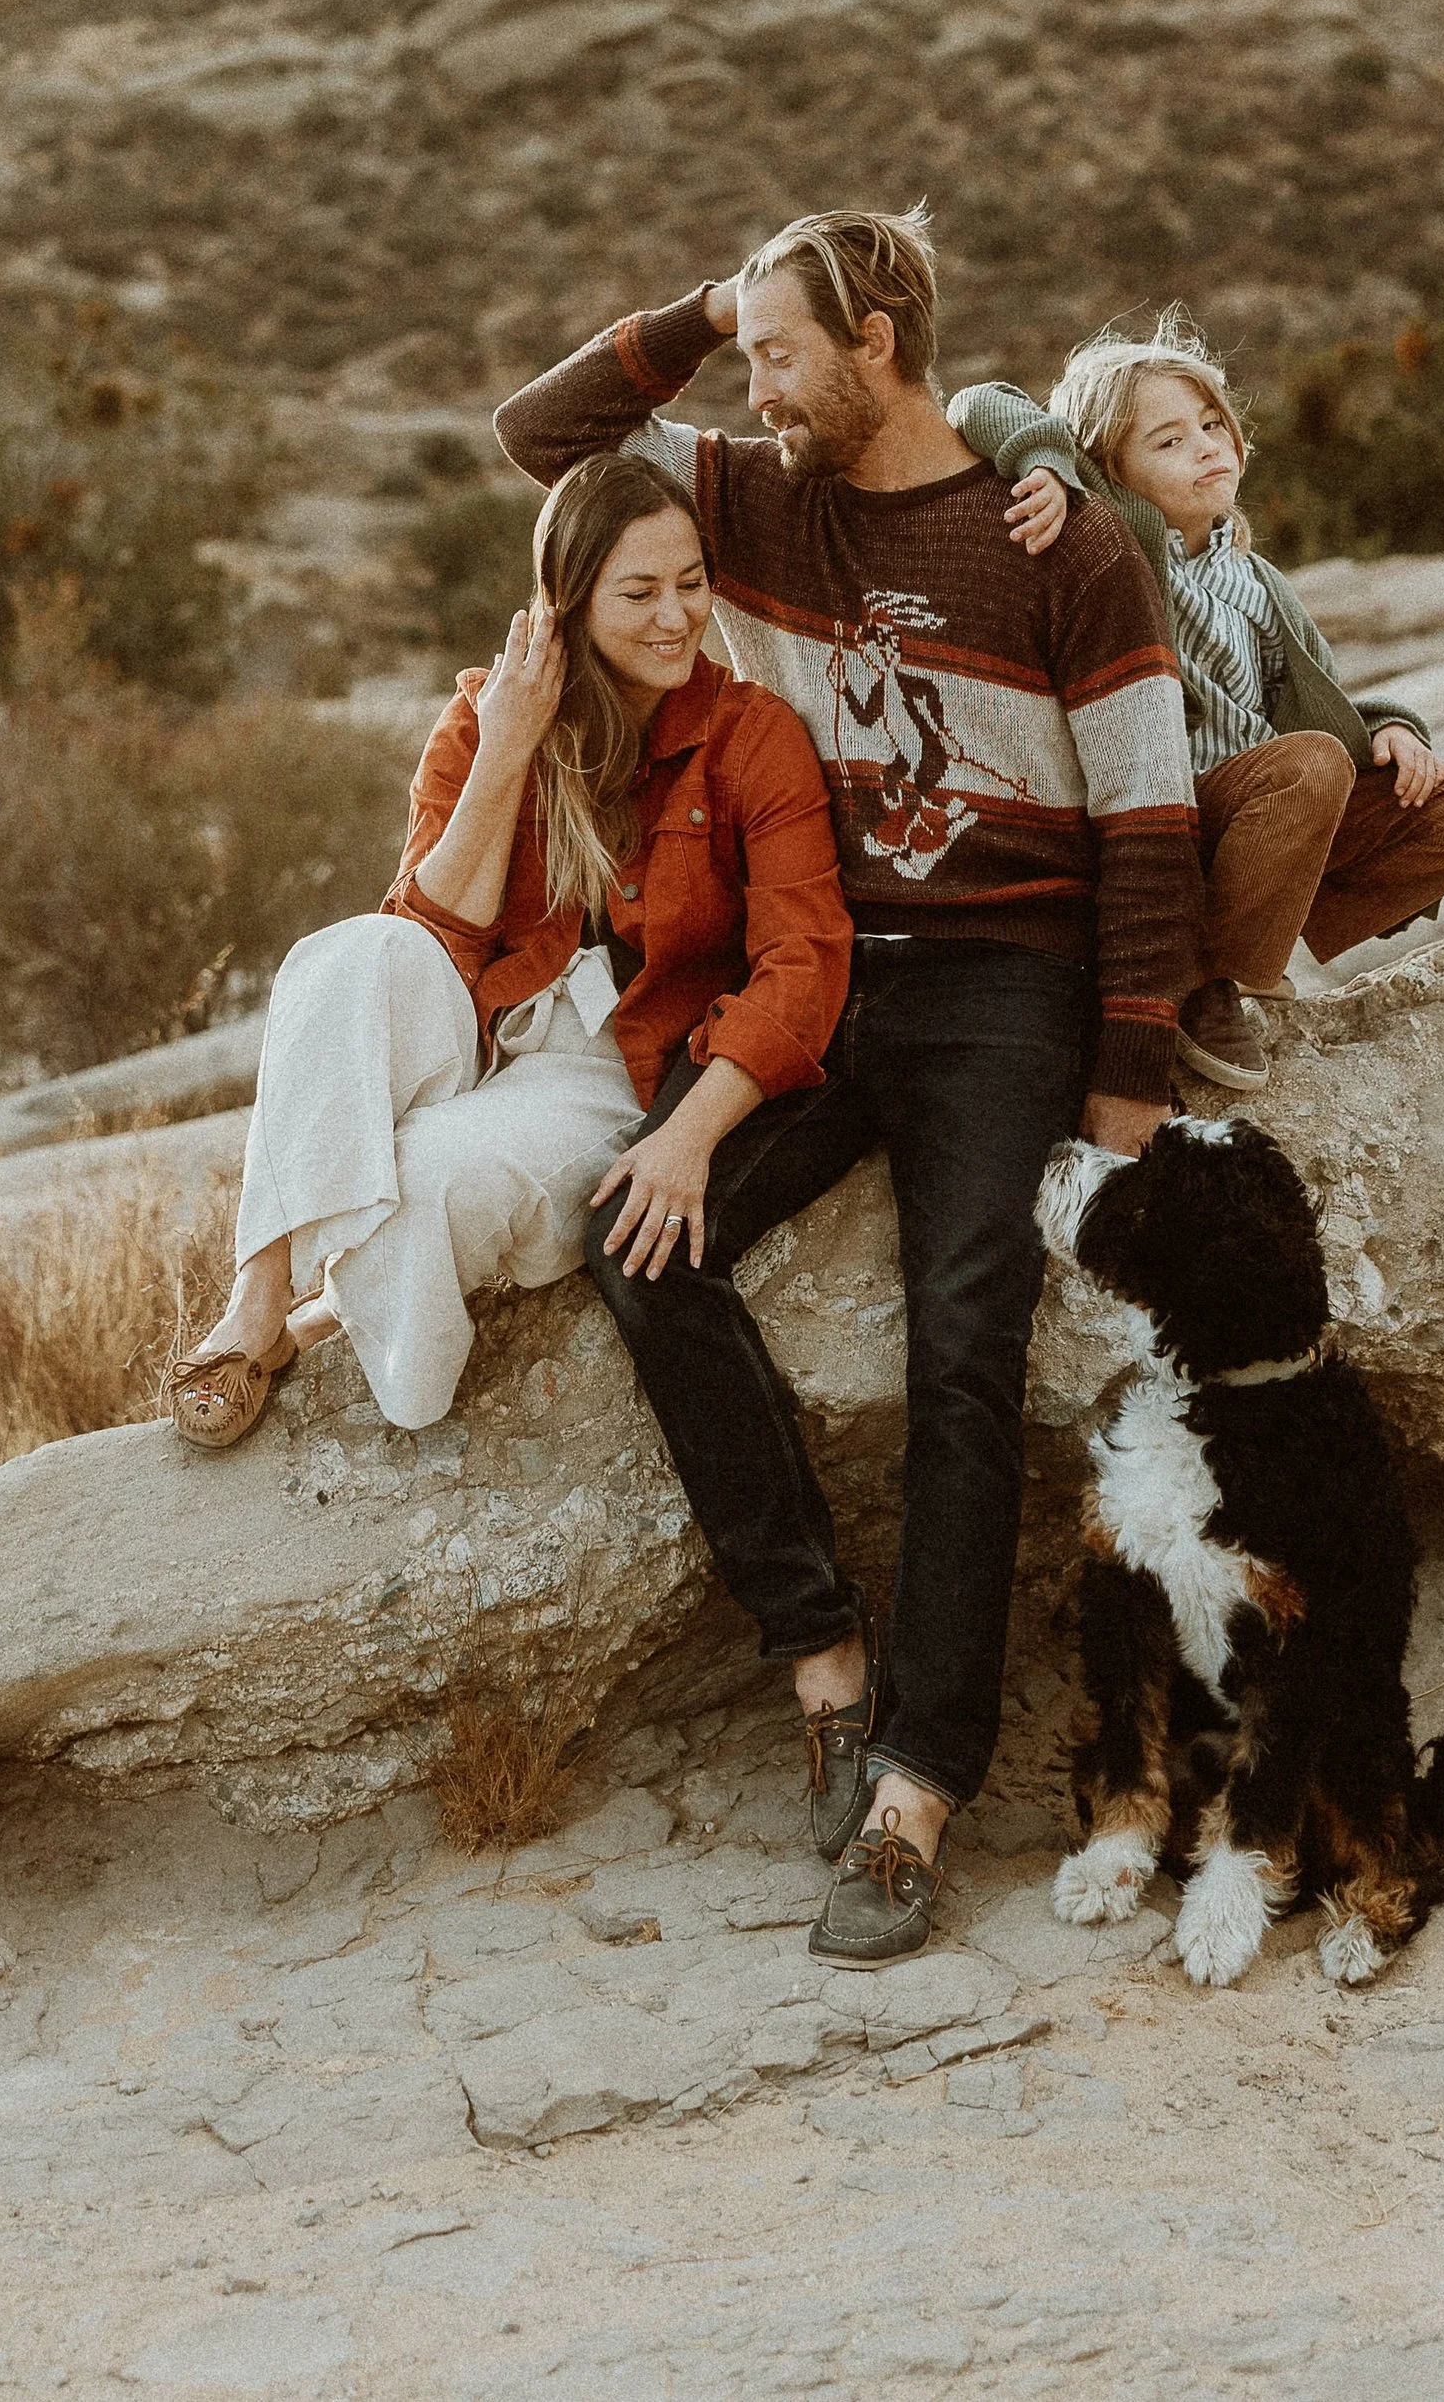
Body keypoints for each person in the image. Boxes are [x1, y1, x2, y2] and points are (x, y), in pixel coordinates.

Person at [495, 206, 1201, 1964]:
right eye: (748, 357)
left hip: (1000, 992)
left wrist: (1124, 1086)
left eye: (784, 352)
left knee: (962, 1338)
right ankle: (822, 1652)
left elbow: (1147, 819)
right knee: (639, 1236)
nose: (757, 383)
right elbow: (544, 442)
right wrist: (712, 301)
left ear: (879, 344)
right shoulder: (759, 496)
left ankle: (916, 1790)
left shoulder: (1065, 541)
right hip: (818, 969)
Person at [170, 453, 849, 1452]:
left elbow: (805, 961)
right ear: (567, 603)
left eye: (692, 584)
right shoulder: (485, 715)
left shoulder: (751, 737)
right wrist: (508, 745)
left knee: (428, 1176)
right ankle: (260, 1296)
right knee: (339, 957)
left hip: (604, 1068)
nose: (676, 617)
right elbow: (431, 936)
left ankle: (345, 1321)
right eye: (639, 592)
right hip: (478, 1026)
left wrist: (690, 1134)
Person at [950, 312, 1444, 1084]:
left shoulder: (1256, 581)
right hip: (1164, 819)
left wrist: (1389, 729)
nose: (1207, 446)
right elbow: (977, 401)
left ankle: (1256, 933)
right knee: (1309, 769)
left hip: (1267, 820)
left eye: (1211, 424)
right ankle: (1199, 981)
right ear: (1109, 467)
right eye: (1169, 441)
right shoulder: (1110, 535)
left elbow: (1315, 706)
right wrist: (1048, 463)